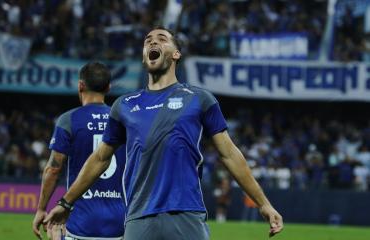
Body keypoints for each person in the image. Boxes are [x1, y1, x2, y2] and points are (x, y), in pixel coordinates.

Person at [44, 27, 283, 239]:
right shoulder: (125, 105)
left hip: (187, 213)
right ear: (143, 57)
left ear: (176, 54)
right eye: (148, 40)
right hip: (139, 217)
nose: (152, 42)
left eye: (161, 39)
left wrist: (264, 204)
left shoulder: (199, 99)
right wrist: (66, 203)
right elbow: (100, 159)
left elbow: (230, 154)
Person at [32, 62, 126, 240]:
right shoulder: (122, 122)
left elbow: (53, 169)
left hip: (81, 222)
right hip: (119, 223)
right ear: (108, 87)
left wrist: (42, 208)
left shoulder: (69, 120)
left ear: (80, 85)